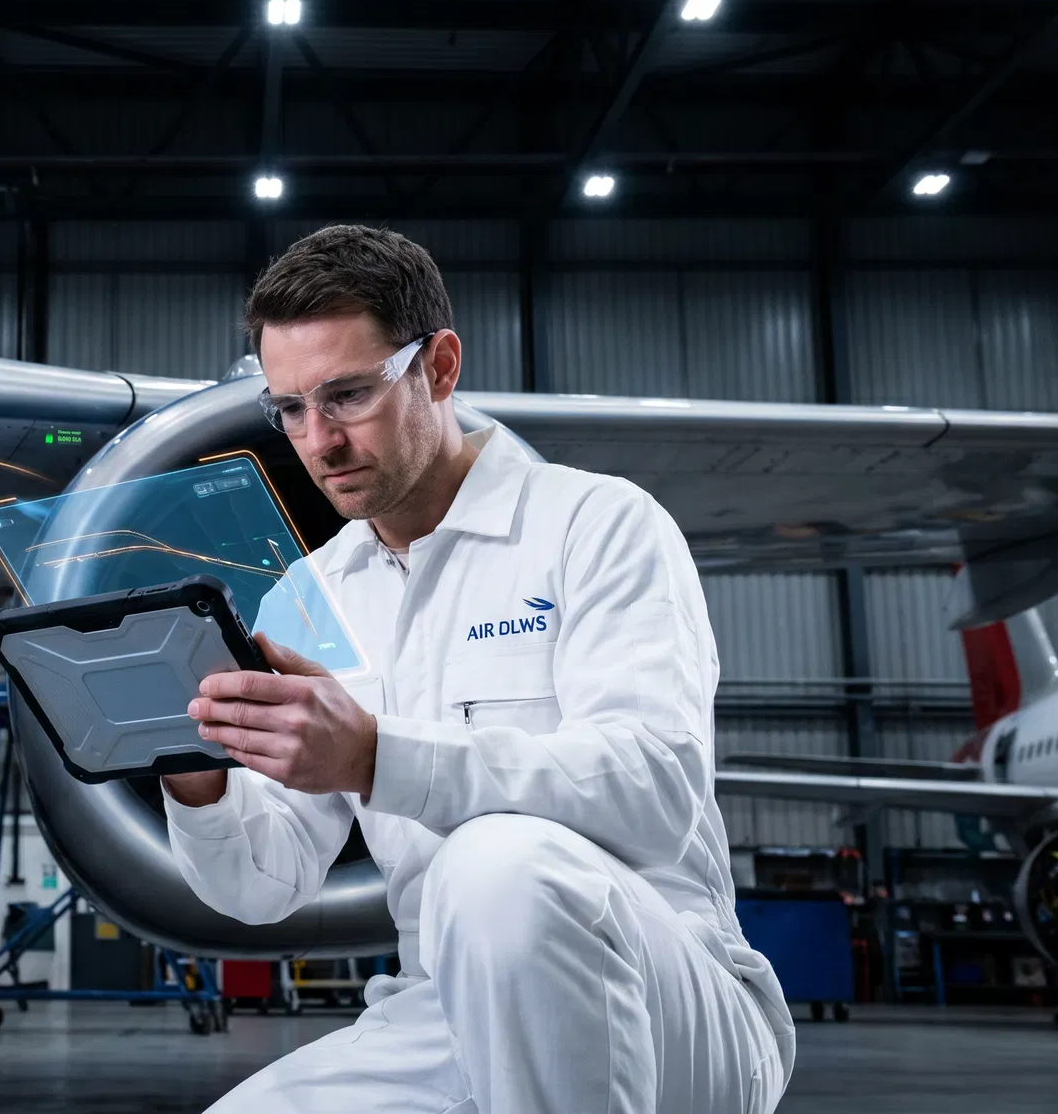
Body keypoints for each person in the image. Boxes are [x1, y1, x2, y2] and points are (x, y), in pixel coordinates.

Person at [162, 225, 795, 1114]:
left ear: (440, 368)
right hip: (441, 1013)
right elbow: (263, 887)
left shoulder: (598, 525)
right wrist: (190, 771)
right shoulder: (310, 595)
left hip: (672, 998)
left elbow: (657, 790)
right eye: (290, 409)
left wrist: (377, 757)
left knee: (499, 867)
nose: (319, 441)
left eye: (346, 395)